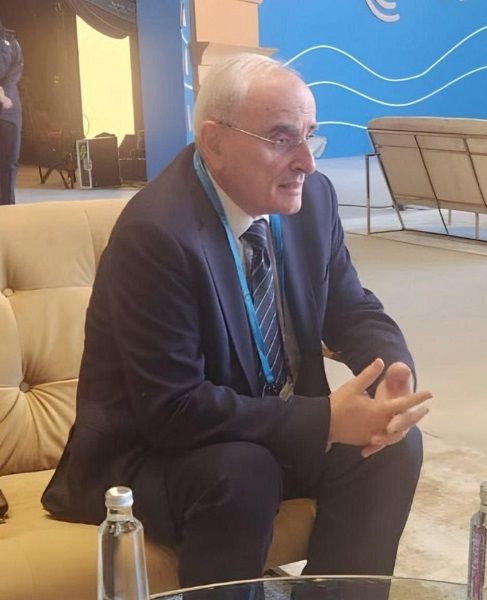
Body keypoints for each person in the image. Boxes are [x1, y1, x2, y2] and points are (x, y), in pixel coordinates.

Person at [42, 54, 431, 587]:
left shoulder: (312, 198)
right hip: (157, 450)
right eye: (281, 138)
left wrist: (392, 374)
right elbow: (172, 408)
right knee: (243, 473)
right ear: (214, 141)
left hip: (268, 430)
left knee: (391, 447)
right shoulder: (157, 234)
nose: (306, 162)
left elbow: (350, 307)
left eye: (309, 137)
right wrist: (322, 421)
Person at [0, 17, 22, 205]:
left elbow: (15, 71)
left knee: (8, 162)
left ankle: (7, 208)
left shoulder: (11, 42)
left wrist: (3, 93)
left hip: (8, 113)